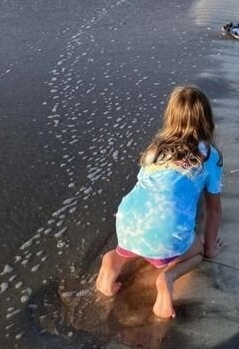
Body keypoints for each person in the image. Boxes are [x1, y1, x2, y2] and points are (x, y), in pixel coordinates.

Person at [95, 85, 223, 319]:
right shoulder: (209, 156)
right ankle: (168, 277)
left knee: (139, 235)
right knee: (197, 252)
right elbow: (213, 209)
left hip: (127, 221)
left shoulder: (155, 148)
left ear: (171, 116)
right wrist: (210, 249)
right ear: (206, 120)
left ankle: (114, 258)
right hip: (166, 232)